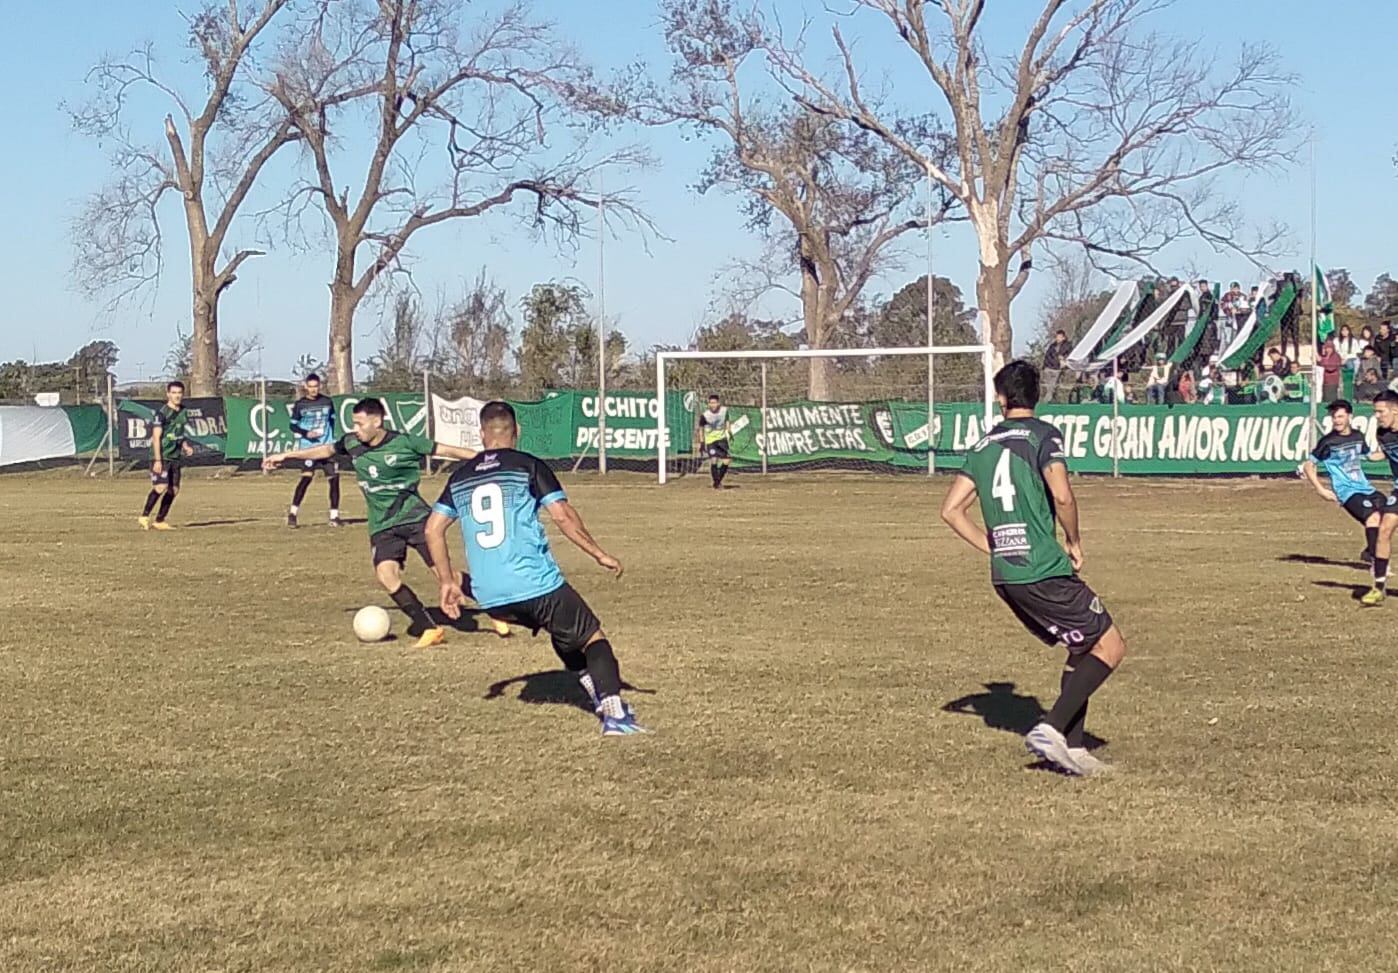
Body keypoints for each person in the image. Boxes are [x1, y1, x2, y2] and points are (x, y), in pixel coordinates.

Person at [940, 361, 1125, 777]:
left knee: (1082, 646)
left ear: (1002, 398)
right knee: (1111, 646)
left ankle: (1074, 750)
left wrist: (993, 547)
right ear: (1036, 395)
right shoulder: (1043, 435)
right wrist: (1074, 541)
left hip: (1007, 575)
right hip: (1042, 568)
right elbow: (1062, 496)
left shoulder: (983, 445)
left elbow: (951, 511)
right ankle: (1052, 728)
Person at [424, 401, 646, 736]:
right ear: (517, 431)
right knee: (592, 637)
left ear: (482, 434)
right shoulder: (528, 465)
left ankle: (596, 695)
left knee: (564, 631)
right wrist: (598, 554)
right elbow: (563, 516)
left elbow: (432, 529)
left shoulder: (460, 476)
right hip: (534, 584)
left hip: (491, 597)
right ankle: (615, 713)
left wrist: (446, 582)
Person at [263, 398, 505, 649]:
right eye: (353, 423)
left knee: (446, 575)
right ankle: (430, 628)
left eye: (359, 423)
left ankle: (496, 609)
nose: (355, 428)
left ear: (377, 421)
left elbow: (447, 451)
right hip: (382, 525)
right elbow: (325, 451)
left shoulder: (405, 442)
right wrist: (287, 455)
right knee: (385, 575)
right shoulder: (351, 443)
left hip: (415, 519)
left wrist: (488, 459)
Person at [1301, 399, 1387, 565]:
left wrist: (1389, 451)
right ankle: (1377, 562)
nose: (1337, 420)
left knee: (1388, 516)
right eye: (1334, 417)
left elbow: (1371, 456)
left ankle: (1369, 552)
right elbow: (1308, 465)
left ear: (1349, 417)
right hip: (1346, 491)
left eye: (1340, 416)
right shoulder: (1328, 442)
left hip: (1365, 487)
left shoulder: (1357, 436)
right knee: (1373, 517)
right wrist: (1321, 489)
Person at [138, 381, 196, 531]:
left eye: (179, 393)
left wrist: (185, 446)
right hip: (161, 456)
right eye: (174, 393)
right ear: (168, 394)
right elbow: (156, 437)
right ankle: (144, 516)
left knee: (174, 490)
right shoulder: (162, 413)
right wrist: (158, 460)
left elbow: (178, 433)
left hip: (175, 457)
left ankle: (160, 520)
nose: (177, 396)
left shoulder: (183, 412)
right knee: (161, 486)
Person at [286, 373, 341, 528]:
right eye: (310, 387)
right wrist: (306, 433)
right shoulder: (300, 405)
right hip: (309, 449)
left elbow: (332, 420)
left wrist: (329, 440)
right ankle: (293, 513)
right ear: (306, 387)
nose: (313, 389)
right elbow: (293, 425)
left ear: (319, 386)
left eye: (315, 386)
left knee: (334, 480)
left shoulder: (327, 402)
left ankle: (334, 516)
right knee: (306, 479)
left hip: (326, 448)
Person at [1362, 390, 1398, 606]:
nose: (1377, 416)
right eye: (1375, 412)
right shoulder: (1382, 434)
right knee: (1384, 529)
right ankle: (1378, 587)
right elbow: (1386, 453)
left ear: (1395, 410)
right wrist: (1364, 455)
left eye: (1380, 411)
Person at [698, 394, 732, 489]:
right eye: (711, 403)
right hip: (710, 441)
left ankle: (718, 481)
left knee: (727, 460)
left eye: (714, 403)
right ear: (708, 404)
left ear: (718, 403)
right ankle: (717, 483)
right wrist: (702, 442)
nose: (713, 405)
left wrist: (729, 429)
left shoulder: (724, 411)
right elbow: (700, 428)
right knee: (714, 460)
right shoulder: (705, 415)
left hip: (722, 439)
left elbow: (727, 419)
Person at [1041, 329, 1071, 404]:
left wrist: (1062, 361)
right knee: (1048, 386)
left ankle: (1046, 402)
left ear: (1064, 337)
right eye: (1057, 337)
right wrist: (1045, 366)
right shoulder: (1052, 346)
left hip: (1057, 369)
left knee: (1052, 386)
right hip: (1048, 368)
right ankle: (1050, 400)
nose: (1058, 338)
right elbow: (1047, 356)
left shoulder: (1067, 346)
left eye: (1060, 337)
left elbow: (1068, 356)